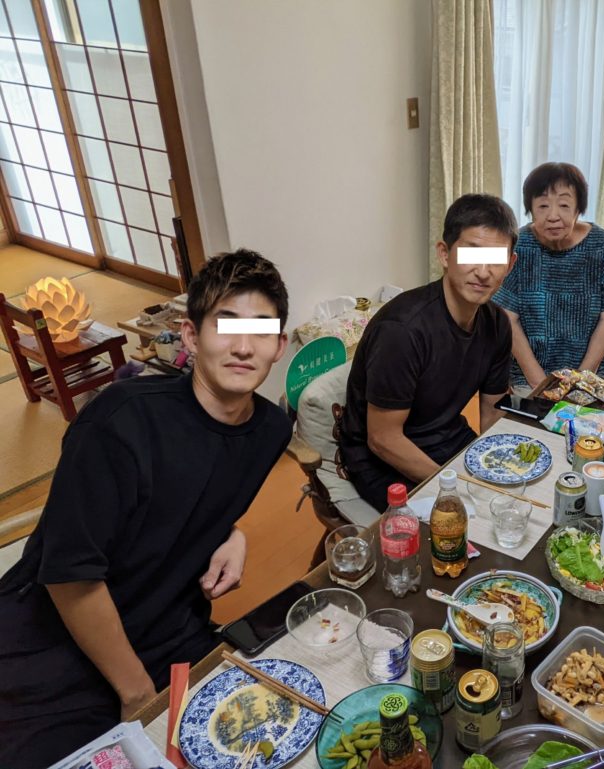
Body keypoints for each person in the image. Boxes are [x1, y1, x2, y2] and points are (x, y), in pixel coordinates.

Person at [0, 250, 292, 767]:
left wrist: (233, 533)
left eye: (261, 331)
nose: (244, 346)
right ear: (190, 336)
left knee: (259, 735)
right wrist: (137, 694)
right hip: (55, 648)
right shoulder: (120, 423)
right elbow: (69, 576)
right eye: (226, 326)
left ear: (280, 346)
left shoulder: (270, 429)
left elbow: (202, 491)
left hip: (169, 628)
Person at [339, 194, 518, 511]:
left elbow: (492, 413)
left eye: (495, 259)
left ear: (510, 264)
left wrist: (500, 471)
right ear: (445, 254)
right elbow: (382, 439)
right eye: (472, 254)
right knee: (464, 522)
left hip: (447, 437)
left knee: (514, 504)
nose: (483, 271)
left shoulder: (497, 324)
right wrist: (456, 488)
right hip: (381, 459)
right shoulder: (402, 330)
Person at [492, 162, 604, 392]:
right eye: (543, 206)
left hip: (594, 367)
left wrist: (581, 379)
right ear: (530, 209)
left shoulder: (600, 244)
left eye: (564, 205)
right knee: (532, 414)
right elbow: (509, 319)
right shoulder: (519, 245)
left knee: (586, 415)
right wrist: (539, 382)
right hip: (530, 369)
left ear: (579, 209)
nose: (553, 216)